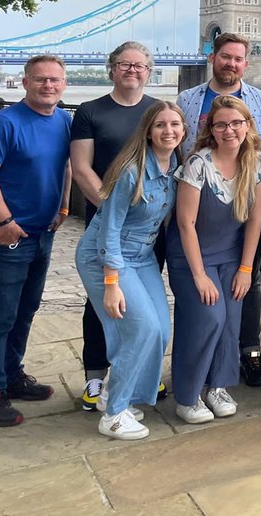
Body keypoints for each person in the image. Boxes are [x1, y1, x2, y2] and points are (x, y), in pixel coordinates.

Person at [0, 55, 73, 427]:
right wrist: (6, 221)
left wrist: (64, 207)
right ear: (25, 82)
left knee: (25, 311)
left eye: (55, 80)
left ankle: (12, 376)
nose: (48, 86)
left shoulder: (64, 121)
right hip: (4, 235)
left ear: (64, 84)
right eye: (40, 79)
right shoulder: (4, 123)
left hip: (42, 233)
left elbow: (66, 166)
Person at [74, 101, 185, 440]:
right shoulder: (131, 171)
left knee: (160, 330)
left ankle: (118, 394)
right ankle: (113, 415)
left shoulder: (175, 166)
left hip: (142, 256)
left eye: (175, 124)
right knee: (141, 329)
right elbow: (108, 229)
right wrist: (111, 283)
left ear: (184, 130)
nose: (168, 131)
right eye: (160, 125)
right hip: (106, 257)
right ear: (148, 132)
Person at [178, 32, 261, 388]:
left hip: (241, 206)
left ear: (245, 64)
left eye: (237, 59)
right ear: (212, 58)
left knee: (245, 288)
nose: (231, 64)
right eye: (225, 57)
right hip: (196, 202)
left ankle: (248, 354)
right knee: (205, 307)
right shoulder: (187, 99)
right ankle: (197, 372)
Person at [166, 96, 261, 424]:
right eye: (221, 124)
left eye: (236, 123)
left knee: (229, 321)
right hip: (192, 257)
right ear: (211, 129)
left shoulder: (258, 164)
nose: (229, 130)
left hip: (231, 257)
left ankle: (218, 386)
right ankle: (188, 395)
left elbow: (255, 221)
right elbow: (185, 223)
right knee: (208, 317)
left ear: (248, 126)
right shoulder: (198, 164)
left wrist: (246, 269)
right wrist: (199, 275)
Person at [70, 41, 158, 411]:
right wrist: (113, 210)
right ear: (112, 69)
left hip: (147, 231)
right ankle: (96, 374)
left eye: (139, 66)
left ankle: (137, 374)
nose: (132, 70)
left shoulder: (157, 111)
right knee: (101, 301)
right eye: (125, 64)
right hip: (105, 222)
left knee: (141, 304)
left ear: (148, 72)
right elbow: (81, 168)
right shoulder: (90, 111)